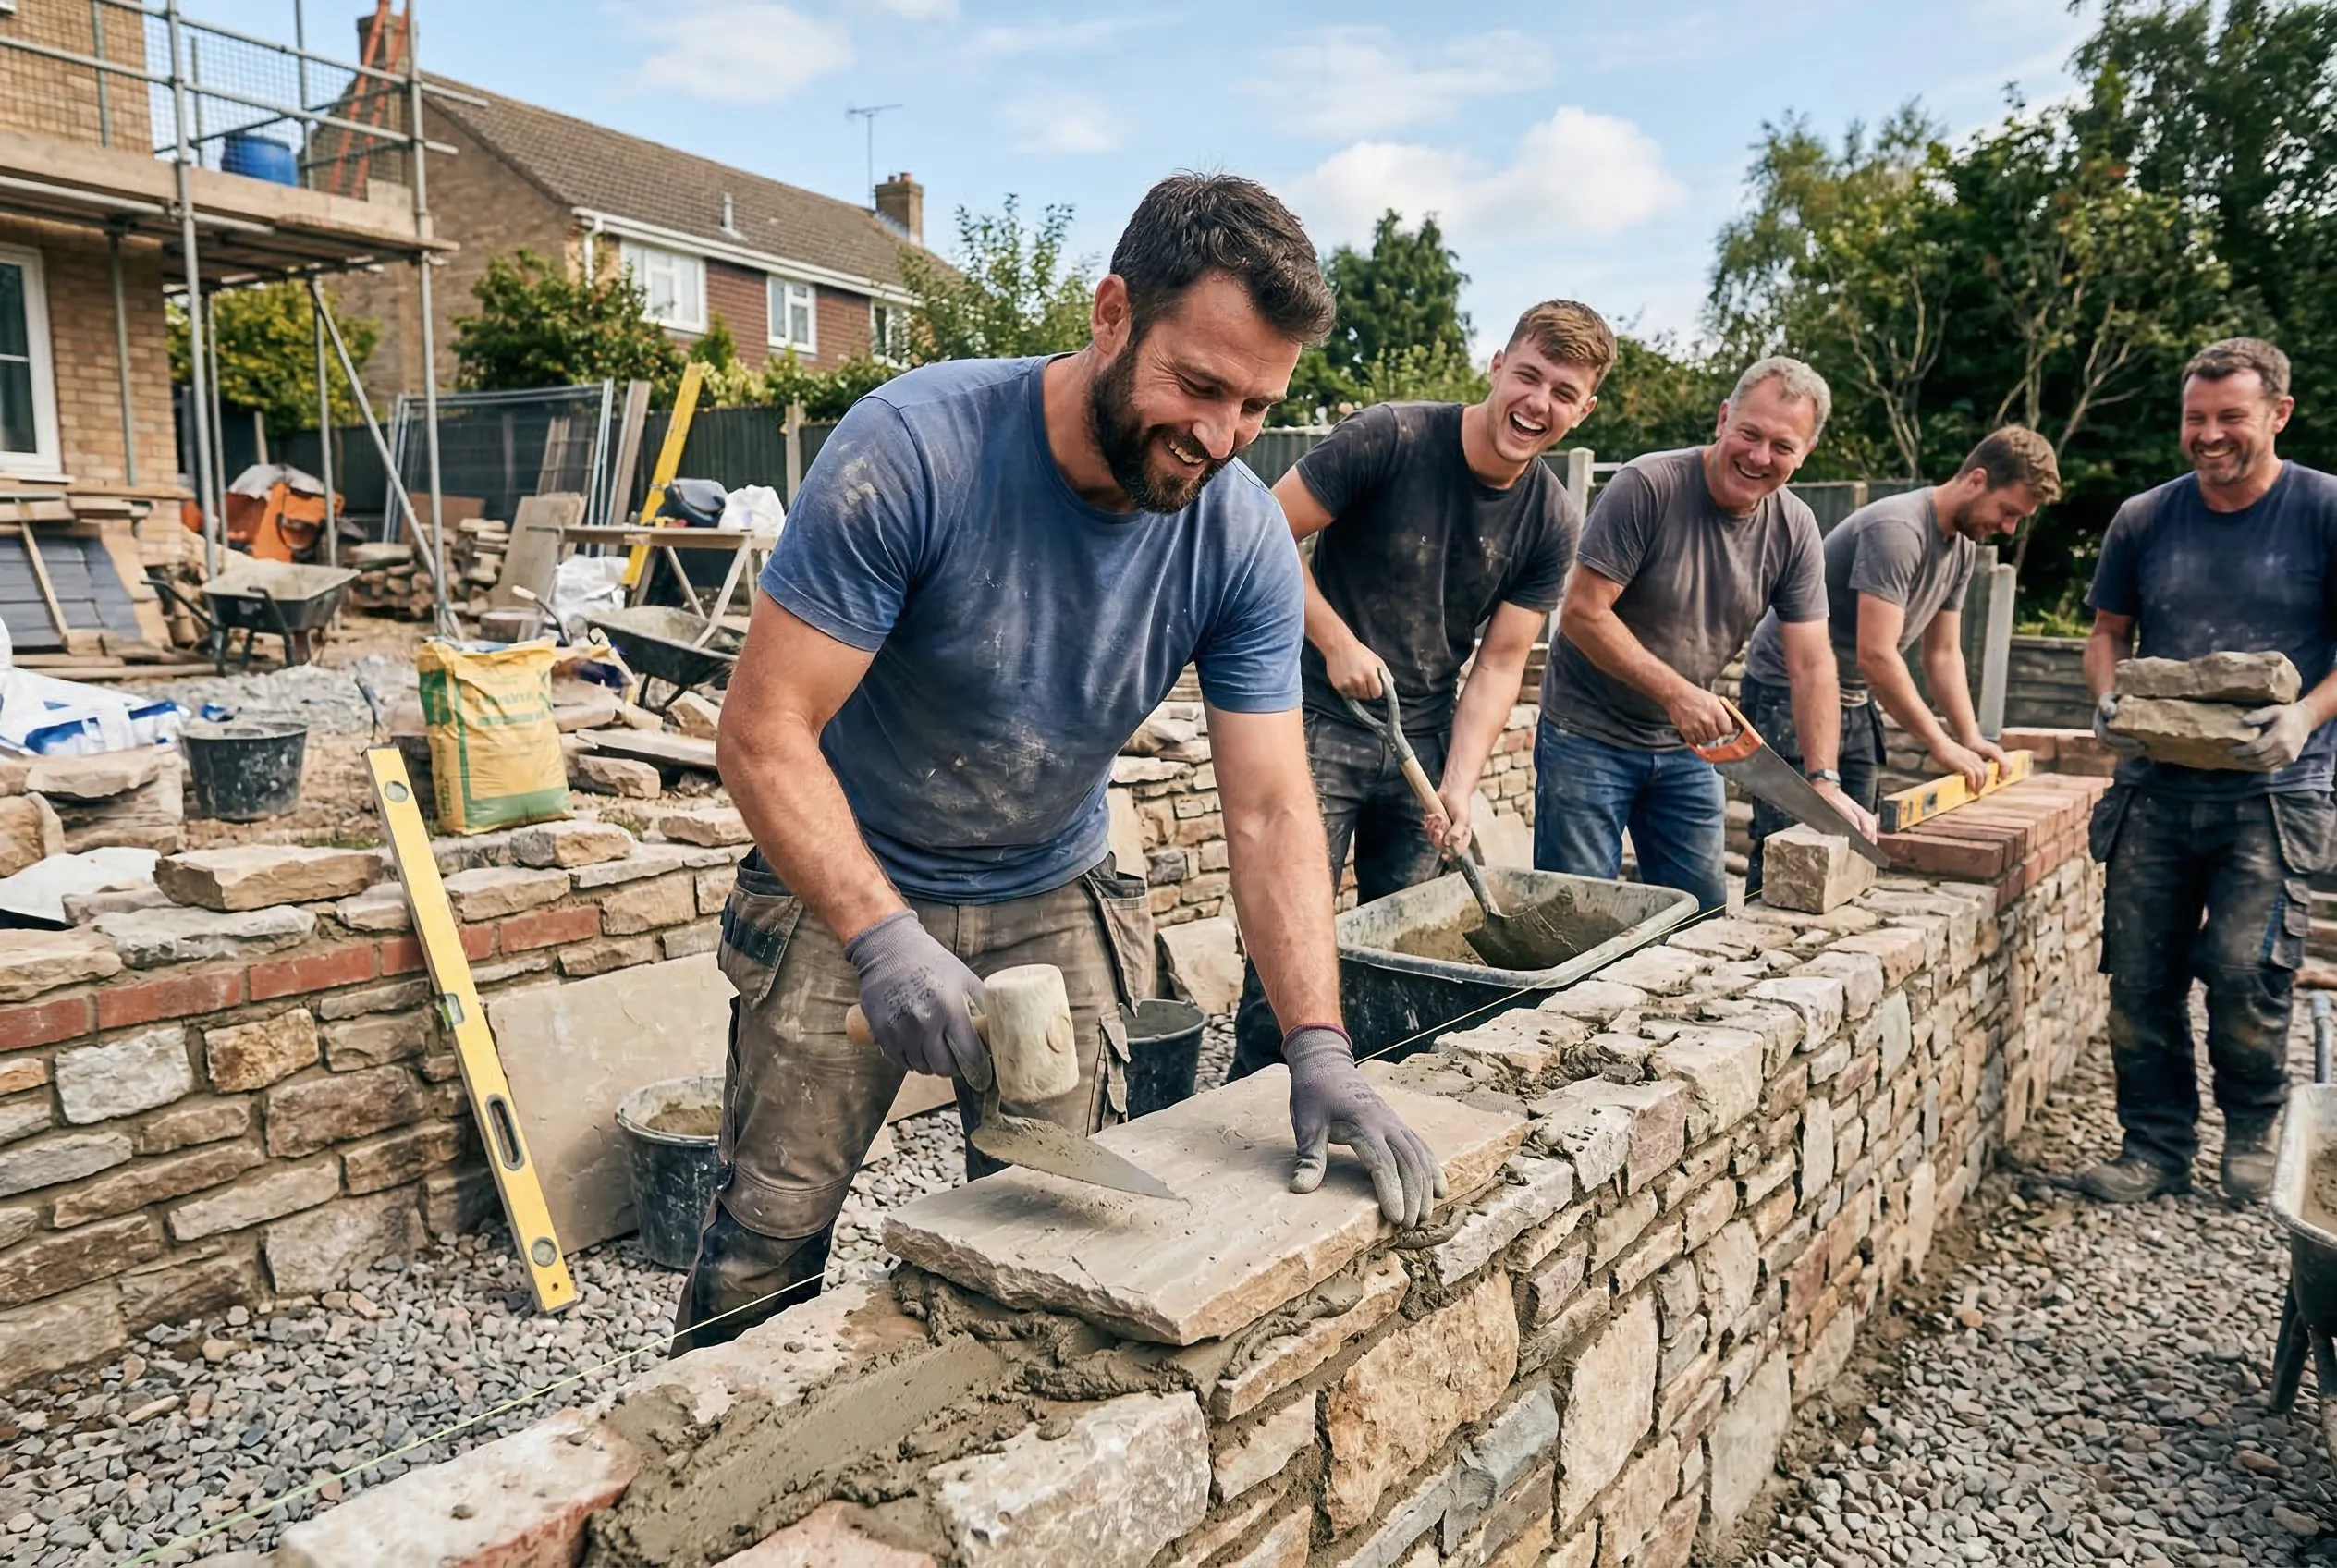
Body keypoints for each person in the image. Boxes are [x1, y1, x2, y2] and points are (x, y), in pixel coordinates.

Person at [673, 175, 1449, 1351]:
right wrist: (881, 938)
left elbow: (1274, 810)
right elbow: (763, 729)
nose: (1219, 436)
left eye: (1254, 405)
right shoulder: (916, 448)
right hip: (846, 866)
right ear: (1109, 315)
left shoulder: (1234, 532)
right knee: (767, 1233)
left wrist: (1317, 1041)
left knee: (1061, 1230)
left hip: (1053, 882)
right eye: (1196, 384)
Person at [1227, 300, 1613, 1077]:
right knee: (1294, 919)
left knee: (1398, 935)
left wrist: (1460, 786)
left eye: (1564, 393)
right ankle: (1256, 1087)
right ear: (1498, 364)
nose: (1538, 404)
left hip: (1423, 734)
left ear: (1584, 408)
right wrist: (1335, 641)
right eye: (1530, 376)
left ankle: (1371, 1089)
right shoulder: (1391, 437)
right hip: (1317, 719)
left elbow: (1502, 663)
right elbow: (1264, 532)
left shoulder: (1550, 519)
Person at [2077, 337, 2337, 1206]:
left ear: (2278, 414)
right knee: (2141, 974)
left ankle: (2254, 1135)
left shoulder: (2323, 511)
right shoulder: (2146, 518)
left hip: (2273, 792)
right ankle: (2153, 1146)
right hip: (2155, 785)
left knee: (2245, 970)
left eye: (2232, 416)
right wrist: (2113, 699)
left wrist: (2302, 714)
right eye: (2197, 417)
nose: (2211, 434)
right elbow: (2110, 630)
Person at [1534, 357, 1877, 911]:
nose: (1760, 456)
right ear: (1723, 419)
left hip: (1688, 748)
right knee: (1576, 918)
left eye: (1783, 446)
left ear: (1806, 452)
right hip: (1586, 734)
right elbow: (1581, 613)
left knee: (1699, 918)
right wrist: (1676, 693)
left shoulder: (1795, 528)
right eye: (1750, 433)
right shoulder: (1647, 486)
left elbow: (1812, 663)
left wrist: (1824, 778)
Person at [1737, 427, 2062, 891]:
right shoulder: (1898, 531)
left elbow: (1943, 654)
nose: (2009, 528)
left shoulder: (1963, 547)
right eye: (2008, 511)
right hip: (1787, 692)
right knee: (1789, 847)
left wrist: (1969, 738)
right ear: (1976, 479)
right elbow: (1877, 655)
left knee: (1861, 837)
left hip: (1853, 697)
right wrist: (1938, 742)